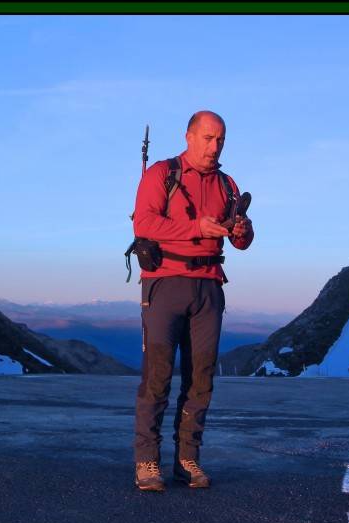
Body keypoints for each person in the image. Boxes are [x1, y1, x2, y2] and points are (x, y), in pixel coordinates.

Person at [131, 111, 254, 491]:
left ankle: (188, 459)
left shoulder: (228, 184)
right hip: (165, 283)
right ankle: (147, 461)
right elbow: (144, 225)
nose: (213, 146)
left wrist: (242, 230)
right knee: (158, 374)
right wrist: (195, 227)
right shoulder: (161, 175)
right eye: (207, 137)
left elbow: (242, 242)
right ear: (188, 136)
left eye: (220, 140)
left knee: (201, 378)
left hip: (209, 287)